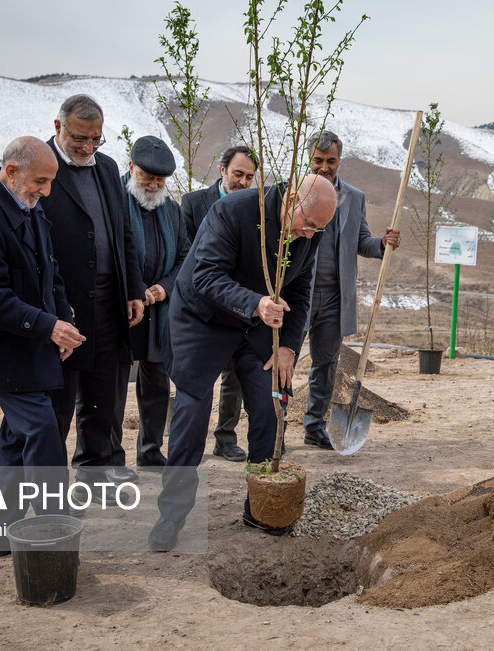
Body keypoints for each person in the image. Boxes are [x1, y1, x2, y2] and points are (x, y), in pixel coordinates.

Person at [149, 174, 337, 551]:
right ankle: (172, 514)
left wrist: (287, 349)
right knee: (193, 411)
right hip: (202, 318)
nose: (313, 234)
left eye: (321, 228)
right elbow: (205, 275)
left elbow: (300, 289)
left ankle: (261, 507)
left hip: (257, 326)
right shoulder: (233, 211)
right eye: (311, 225)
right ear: (289, 203)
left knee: (271, 404)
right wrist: (256, 302)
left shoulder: (308, 233)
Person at [0, 137, 84, 556]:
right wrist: (48, 327)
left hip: (29, 339)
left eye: (49, 183)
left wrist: (64, 317)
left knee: (15, 436)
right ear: (11, 171)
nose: (45, 192)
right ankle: (52, 532)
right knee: (41, 430)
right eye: (40, 182)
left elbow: (49, 267)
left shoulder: (24, 199)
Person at [39, 95, 145, 499]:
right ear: (58, 127)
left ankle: (98, 468)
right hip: (62, 305)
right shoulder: (41, 166)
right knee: (59, 397)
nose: (87, 148)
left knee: (106, 390)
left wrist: (132, 289)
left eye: (95, 139)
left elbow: (123, 233)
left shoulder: (107, 167)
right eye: (79, 138)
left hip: (108, 301)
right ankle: (51, 485)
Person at [302, 130, 400, 449]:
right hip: (296, 295)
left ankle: (314, 427)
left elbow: (362, 242)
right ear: (309, 159)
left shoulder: (355, 198)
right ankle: (273, 426)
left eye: (331, 161)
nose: (324, 167)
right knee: (281, 358)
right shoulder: (293, 192)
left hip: (335, 297)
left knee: (325, 364)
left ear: (339, 161)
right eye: (318, 160)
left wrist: (383, 245)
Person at [179, 146, 258, 461]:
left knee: (234, 378)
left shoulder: (255, 209)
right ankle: (188, 445)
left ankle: (225, 438)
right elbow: (185, 253)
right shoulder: (194, 203)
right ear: (222, 170)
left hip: (237, 305)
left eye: (249, 177)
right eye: (238, 174)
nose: (242, 181)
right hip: (199, 308)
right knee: (198, 379)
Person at [124, 136, 191, 471]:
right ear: (131, 167)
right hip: (121, 309)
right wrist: (134, 290)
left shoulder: (172, 211)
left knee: (155, 386)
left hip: (158, 313)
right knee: (110, 389)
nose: (151, 185)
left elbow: (184, 258)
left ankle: (150, 451)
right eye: (145, 177)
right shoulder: (115, 204)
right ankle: (108, 459)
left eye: (159, 180)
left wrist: (164, 288)